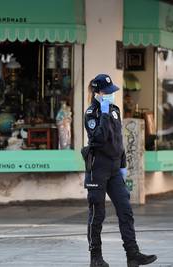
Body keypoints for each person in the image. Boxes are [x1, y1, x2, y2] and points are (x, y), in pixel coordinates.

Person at [83, 74, 157, 267]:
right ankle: (95, 257)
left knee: (125, 210)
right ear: (97, 93)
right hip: (97, 168)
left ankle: (132, 255)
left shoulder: (115, 110)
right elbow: (98, 139)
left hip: (114, 168)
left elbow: (118, 140)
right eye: (106, 92)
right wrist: (104, 114)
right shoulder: (92, 113)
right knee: (97, 213)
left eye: (111, 92)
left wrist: (123, 165)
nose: (110, 95)